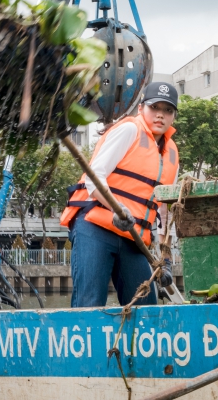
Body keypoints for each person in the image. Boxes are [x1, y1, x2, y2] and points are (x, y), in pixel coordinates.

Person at [60, 82, 180, 307]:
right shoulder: (129, 130)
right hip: (95, 228)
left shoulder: (172, 154)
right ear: (141, 108)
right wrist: (118, 208)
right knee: (90, 304)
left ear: (173, 117)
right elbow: (93, 179)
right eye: (155, 108)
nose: (160, 115)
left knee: (145, 307)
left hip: (132, 237)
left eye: (168, 110)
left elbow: (165, 210)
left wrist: (165, 258)